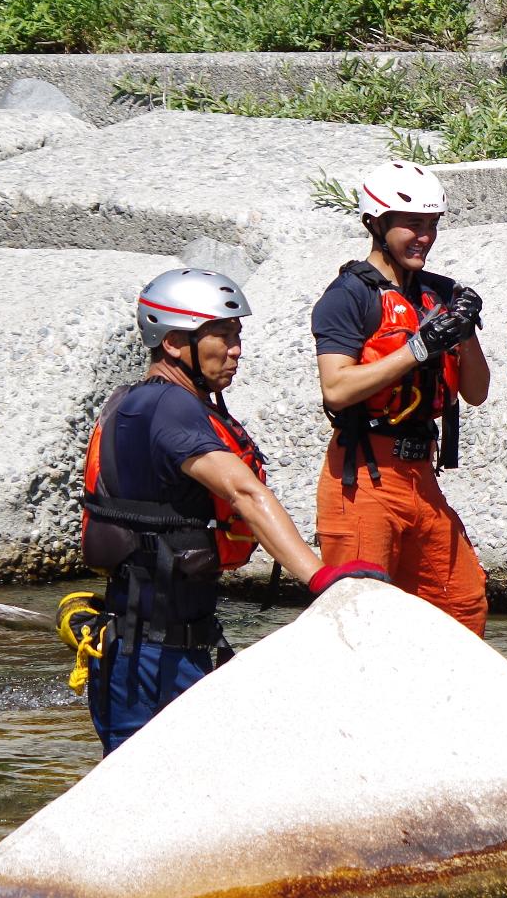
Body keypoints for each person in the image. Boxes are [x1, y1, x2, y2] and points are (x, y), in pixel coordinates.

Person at [69, 269, 367, 754]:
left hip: (159, 646)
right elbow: (245, 495)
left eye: (237, 336)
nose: (236, 350)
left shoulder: (139, 401)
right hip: (151, 662)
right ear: (173, 343)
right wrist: (319, 578)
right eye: (223, 337)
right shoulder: (168, 408)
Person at [312, 161, 491, 634]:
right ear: (376, 222)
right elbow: (336, 387)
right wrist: (419, 348)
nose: (425, 236)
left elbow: (475, 392)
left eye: (431, 225)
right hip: (364, 476)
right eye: (412, 224)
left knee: (463, 604)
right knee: (361, 619)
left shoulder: (440, 292)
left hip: (420, 474)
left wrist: (463, 330)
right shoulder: (347, 296)